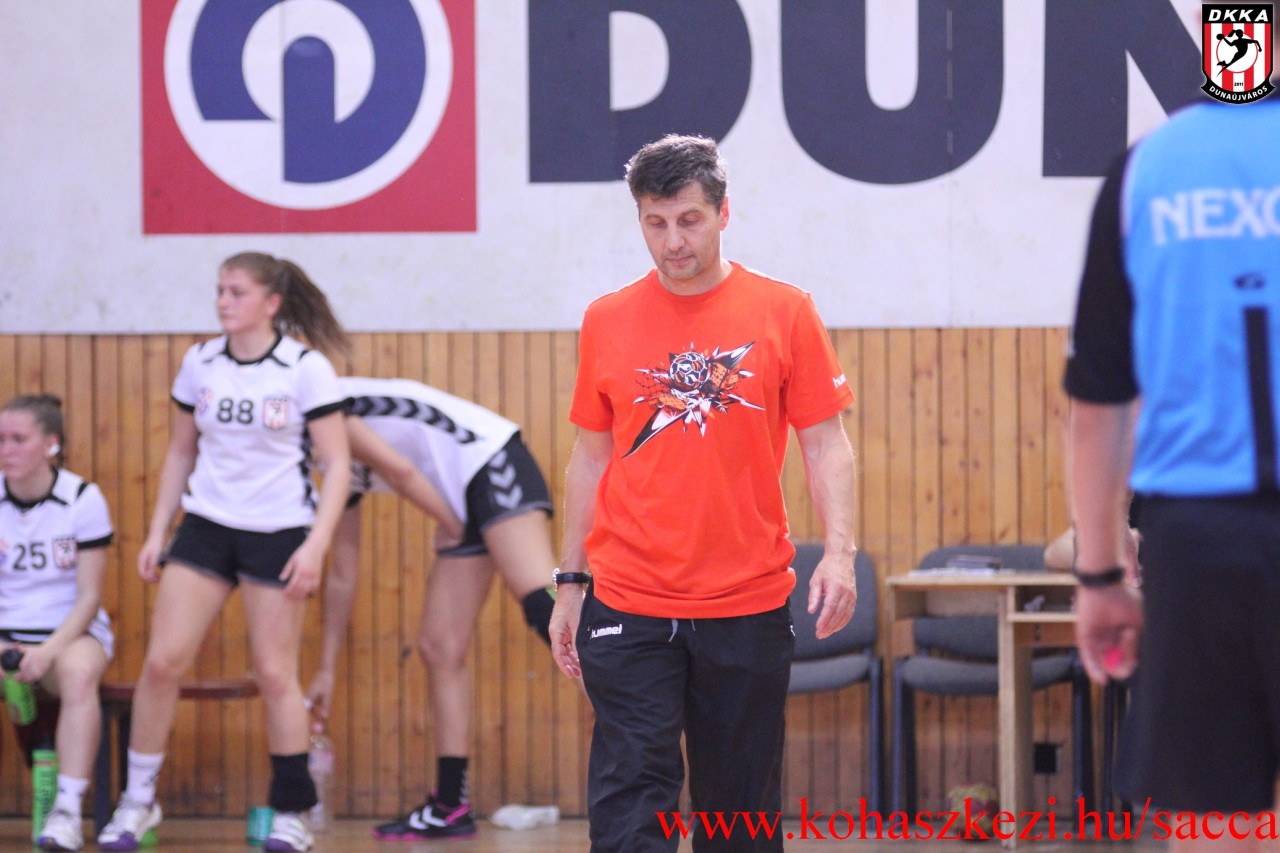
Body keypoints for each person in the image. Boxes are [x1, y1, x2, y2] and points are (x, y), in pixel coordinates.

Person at [549, 134, 859, 852]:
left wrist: (840, 554)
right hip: (628, 597)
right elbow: (589, 459)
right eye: (655, 223)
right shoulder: (607, 318)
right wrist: (570, 581)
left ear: (724, 212)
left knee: (738, 812)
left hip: (745, 598)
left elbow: (826, 444)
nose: (672, 241)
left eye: (688, 220)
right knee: (630, 802)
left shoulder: (784, 310)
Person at [1065, 90, 1280, 848]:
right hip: (1196, 525)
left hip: (1199, 537)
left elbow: (1098, 404)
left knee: (1213, 814)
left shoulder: (1150, 168)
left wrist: (1099, 576)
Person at [97, 252, 352, 853]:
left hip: (279, 530)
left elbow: (338, 463)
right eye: (219, 290)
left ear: (271, 303)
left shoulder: (304, 368)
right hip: (207, 524)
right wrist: (159, 530)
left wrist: (316, 545)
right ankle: (139, 801)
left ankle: (291, 811)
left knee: (274, 672)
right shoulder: (201, 361)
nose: (223, 302)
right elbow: (181, 451)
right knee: (163, 662)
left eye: (237, 292)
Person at [304, 375, 558, 840]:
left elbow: (401, 471)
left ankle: (640, 716)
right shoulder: (325, 458)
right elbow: (341, 572)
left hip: (490, 461)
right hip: (456, 496)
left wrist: (450, 525)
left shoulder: (319, 406)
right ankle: (450, 805)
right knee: (440, 646)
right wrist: (325, 666)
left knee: (545, 604)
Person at [0, 395, 113, 852]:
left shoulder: (82, 499)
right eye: (0, 439)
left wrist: (47, 651)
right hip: (6, 633)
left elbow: (89, 596)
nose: (6, 449)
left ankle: (66, 810)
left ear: (51, 445)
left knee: (79, 673)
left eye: (18, 439)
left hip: (69, 633)